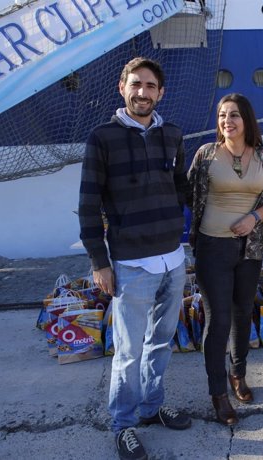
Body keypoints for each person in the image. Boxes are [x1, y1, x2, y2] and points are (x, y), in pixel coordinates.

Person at [78, 57, 192, 460]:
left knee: (161, 342)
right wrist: (99, 262)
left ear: (161, 92)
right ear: (122, 87)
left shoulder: (173, 134)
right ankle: (122, 424)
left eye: (150, 86)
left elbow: (182, 189)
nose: (142, 92)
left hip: (172, 261)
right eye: (135, 84)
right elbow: (89, 206)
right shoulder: (102, 138)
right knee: (128, 352)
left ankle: (151, 406)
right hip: (130, 264)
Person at [188, 93, 263, 426]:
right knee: (218, 320)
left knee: (243, 312)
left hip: (250, 248)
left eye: (234, 116)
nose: (227, 121)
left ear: (247, 120)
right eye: (222, 116)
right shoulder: (205, 155)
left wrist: (253, 219)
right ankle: (218, 394)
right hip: (213, 248)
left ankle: (238, 374)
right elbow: (189, 194)